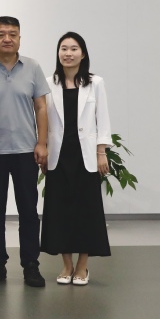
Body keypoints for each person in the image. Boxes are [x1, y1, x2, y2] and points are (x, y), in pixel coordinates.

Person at [0, 16, 50, 288]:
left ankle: (31, 265)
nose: (7, 38)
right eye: (1, 34)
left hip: (26, 150)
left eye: (12, 34)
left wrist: (42, 143)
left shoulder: (33, 67)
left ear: (19, 38)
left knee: (28, 210)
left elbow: (41, 107)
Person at [41, 32, 112, 285]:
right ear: (58, 53)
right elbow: (42, 120)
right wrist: (42, 148)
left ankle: (83, 266)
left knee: (86, 211)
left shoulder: (95, 83)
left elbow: (103, 119)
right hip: (58, 156)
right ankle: (66, 265)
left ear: (83, 54)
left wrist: (101, 152)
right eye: (64, 48)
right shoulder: (48, 84)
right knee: (60, 211)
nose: (68, 53)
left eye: (73, 49)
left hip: (86, 156)